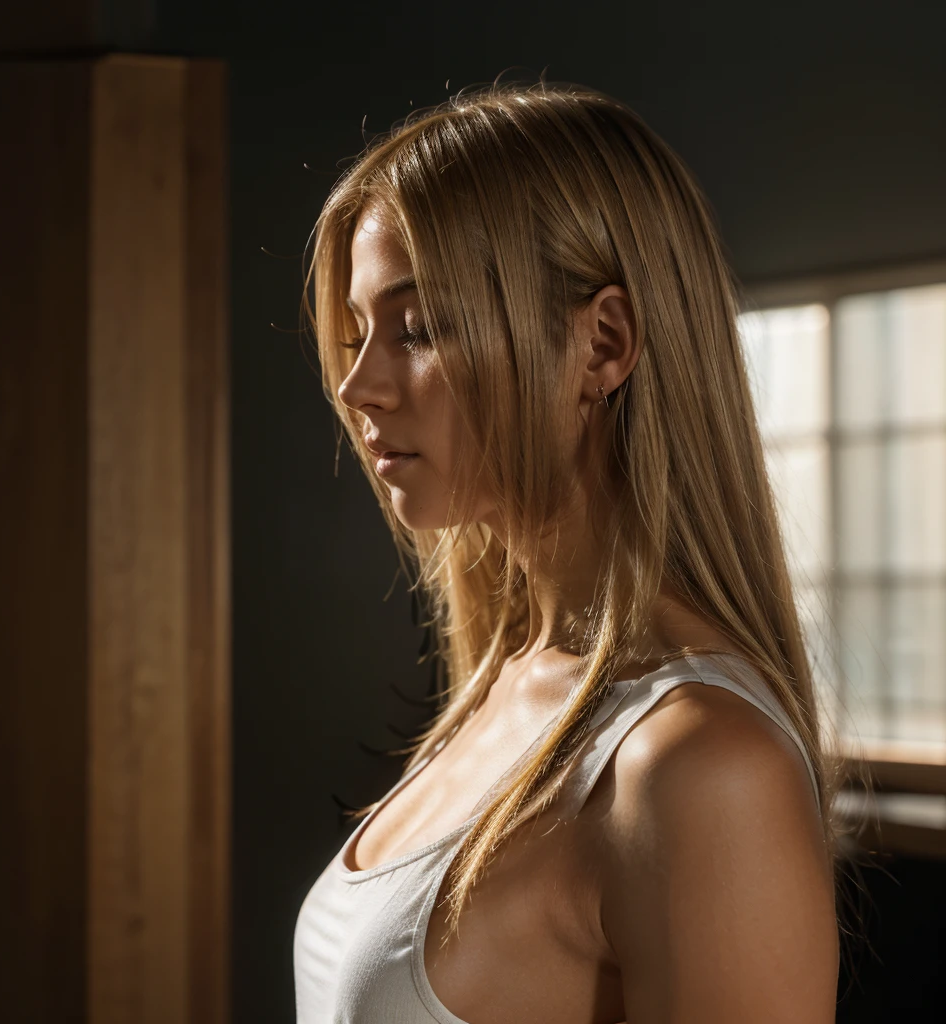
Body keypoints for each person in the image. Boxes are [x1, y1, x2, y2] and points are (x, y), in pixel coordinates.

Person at [293, 79, 858, 1024]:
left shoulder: (701, 770)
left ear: (603, 343)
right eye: (358, 335)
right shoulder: (512, 680)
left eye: (419, 327)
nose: (358, 386)